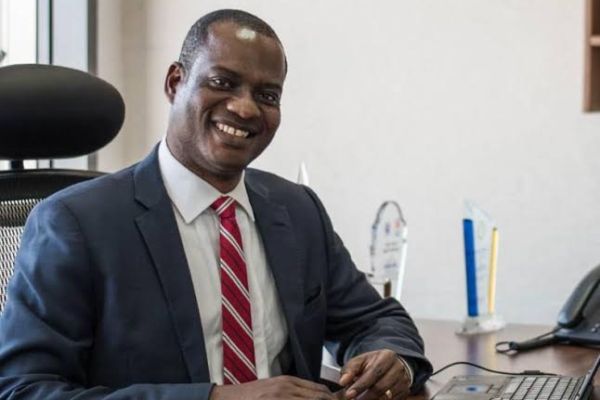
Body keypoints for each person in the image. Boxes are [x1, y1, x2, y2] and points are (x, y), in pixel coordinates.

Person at [0, 9, 432, 400]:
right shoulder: (74, 223)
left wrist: (391, 358)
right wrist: (218, 399)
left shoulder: (298, 209)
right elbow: (25, 389)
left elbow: (376, 319)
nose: (245, 108)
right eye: (222, 83)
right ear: (175, 83)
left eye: (267, 95)